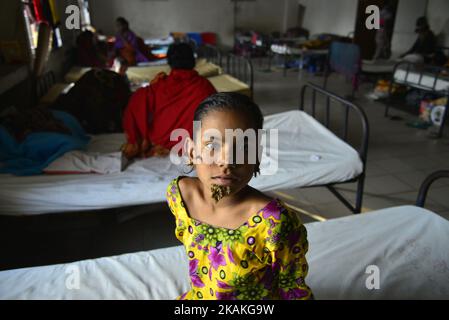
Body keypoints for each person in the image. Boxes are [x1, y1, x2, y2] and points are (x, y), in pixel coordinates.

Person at [166, 93, 314, 300]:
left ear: (256, 156)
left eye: (244, 147)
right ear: (191, 151)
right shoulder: (179, 196)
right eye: (212, 146)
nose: (227, 161)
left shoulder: (274, 223)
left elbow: (293, 290)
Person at [121, 43, 217, 159]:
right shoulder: (204, 86)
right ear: (193, 61)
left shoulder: (159, 86)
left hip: (160, 141)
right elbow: (219, 114)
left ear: (170, 62)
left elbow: (136, 103)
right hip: (193, 143)